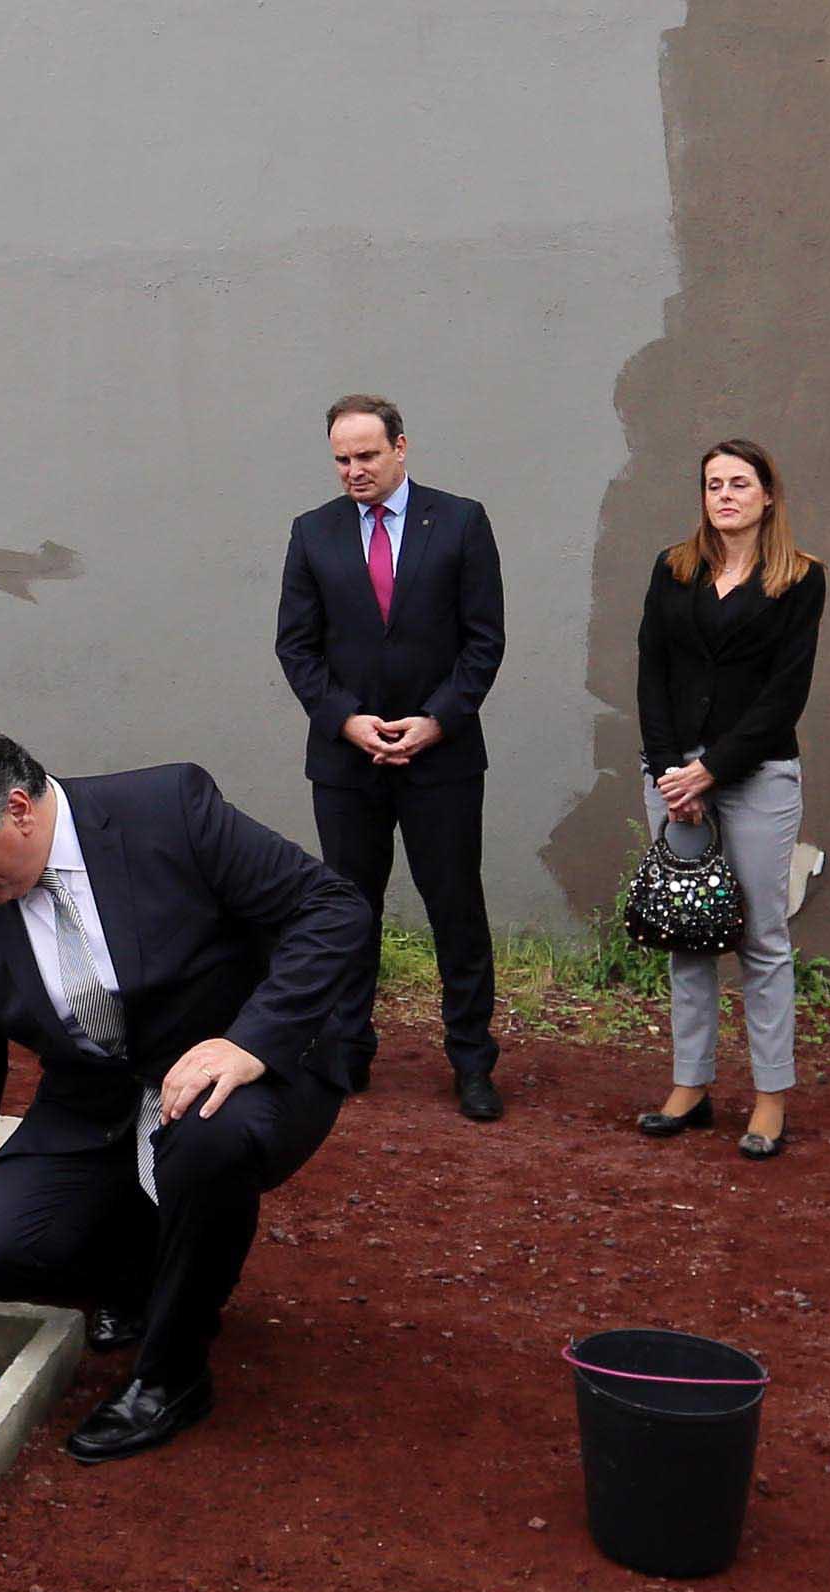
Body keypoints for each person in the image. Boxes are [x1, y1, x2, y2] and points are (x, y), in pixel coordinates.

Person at [0, 722, 370, 1461]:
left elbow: (330, 908)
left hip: (238, 1065)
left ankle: (172, 1374)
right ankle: (143, 1274)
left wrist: (250, 1041)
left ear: (19, 810)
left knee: (205, 1140)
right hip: (98, 1094)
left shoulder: (168, 809)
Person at [274, 395, 508, 1121]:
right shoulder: (312, 533)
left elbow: (483, 640)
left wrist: (436, 721)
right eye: (341, 459)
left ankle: (471, 1061)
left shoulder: (460, 521)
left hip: (441, 760)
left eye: (367, 456)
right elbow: (296, 646)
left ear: (400, 448)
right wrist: (345, 722)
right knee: (349, 911)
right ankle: (347, 1052)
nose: (354, 471)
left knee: (455, 910)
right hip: (347, 764)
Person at [634, 438, 826, 1160]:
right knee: (688, 933)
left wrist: (708, 771)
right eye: (712, 484)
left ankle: (770, 1097)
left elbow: (785, 696)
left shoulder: (800, 580)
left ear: (767, 495)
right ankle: (689, 1085)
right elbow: (650, 671)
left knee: (762, 941)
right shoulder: (673, 568)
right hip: (670, 778)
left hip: (755, 777)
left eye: (738, 483)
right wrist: (665, 772)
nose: (724, 495)